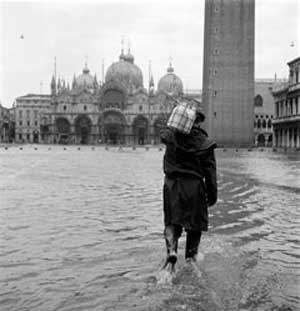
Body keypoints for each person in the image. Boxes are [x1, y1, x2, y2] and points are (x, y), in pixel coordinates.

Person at [160, 107, 217, 272]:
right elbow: (210, 172)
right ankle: (191, 261)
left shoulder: (170, 138)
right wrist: (212, 195)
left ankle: (171, 252)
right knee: (194, 227)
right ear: (197, 122)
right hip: (194, 188)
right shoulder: (203, 143)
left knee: (172, 222)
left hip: (171, 186)